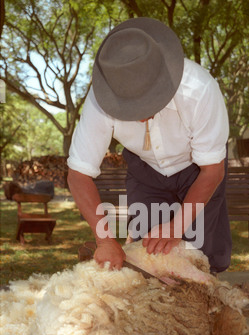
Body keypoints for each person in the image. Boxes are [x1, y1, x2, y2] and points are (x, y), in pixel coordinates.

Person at [67, 17, 232, 273]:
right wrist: (105, 239)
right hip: (145, 171)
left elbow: (213, 171)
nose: (139, 113)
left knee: (203, 256)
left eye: (147, 101)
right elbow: (78, 174)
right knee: (147, 255)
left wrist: (177, 227)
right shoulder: (99, 100)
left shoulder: (199, 89)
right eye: (129, 106)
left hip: (197, 170)